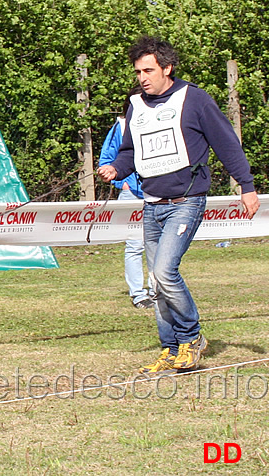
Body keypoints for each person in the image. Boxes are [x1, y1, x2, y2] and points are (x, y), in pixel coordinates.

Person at [97, 36, 259, 376]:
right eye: (138, 71)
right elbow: (129, 152)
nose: (142, 77)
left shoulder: (195, 99)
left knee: (164, 272)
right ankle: (170, 349)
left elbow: (227, 144)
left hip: (186, 201)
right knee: (157, 285)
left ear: (167, 68)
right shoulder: (135, 106)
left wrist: (246, 186)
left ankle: (192, 336)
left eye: (149, 70)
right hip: (151, 204)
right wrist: (116, 168)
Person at [98, 85, 154, 310]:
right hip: (131, 193)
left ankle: (158, 290)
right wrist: (122, 181)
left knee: (156, 245)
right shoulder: (120, 127)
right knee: (134, 245)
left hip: (157, 192)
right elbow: (106, 160)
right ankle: (138, 294)